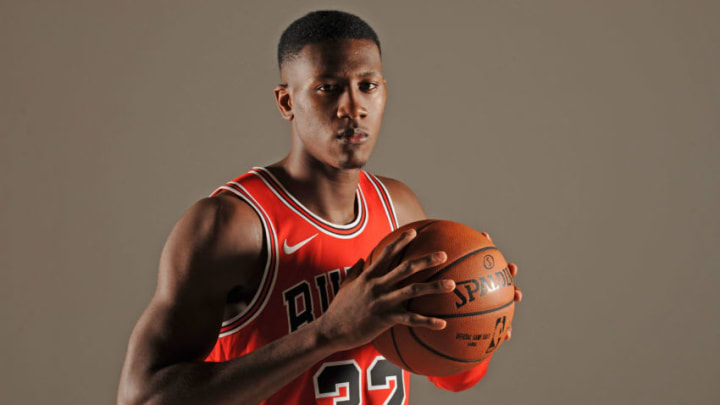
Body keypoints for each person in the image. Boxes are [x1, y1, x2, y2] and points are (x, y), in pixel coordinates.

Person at [118, 10, 522, 405]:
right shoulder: (231, 224)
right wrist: (327, 333)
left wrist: (480, 313)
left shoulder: (398, 210)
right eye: (328, 88)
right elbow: (144, 398)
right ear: (286, 101)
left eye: (368, 86)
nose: (353, 107)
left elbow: (450, 375)